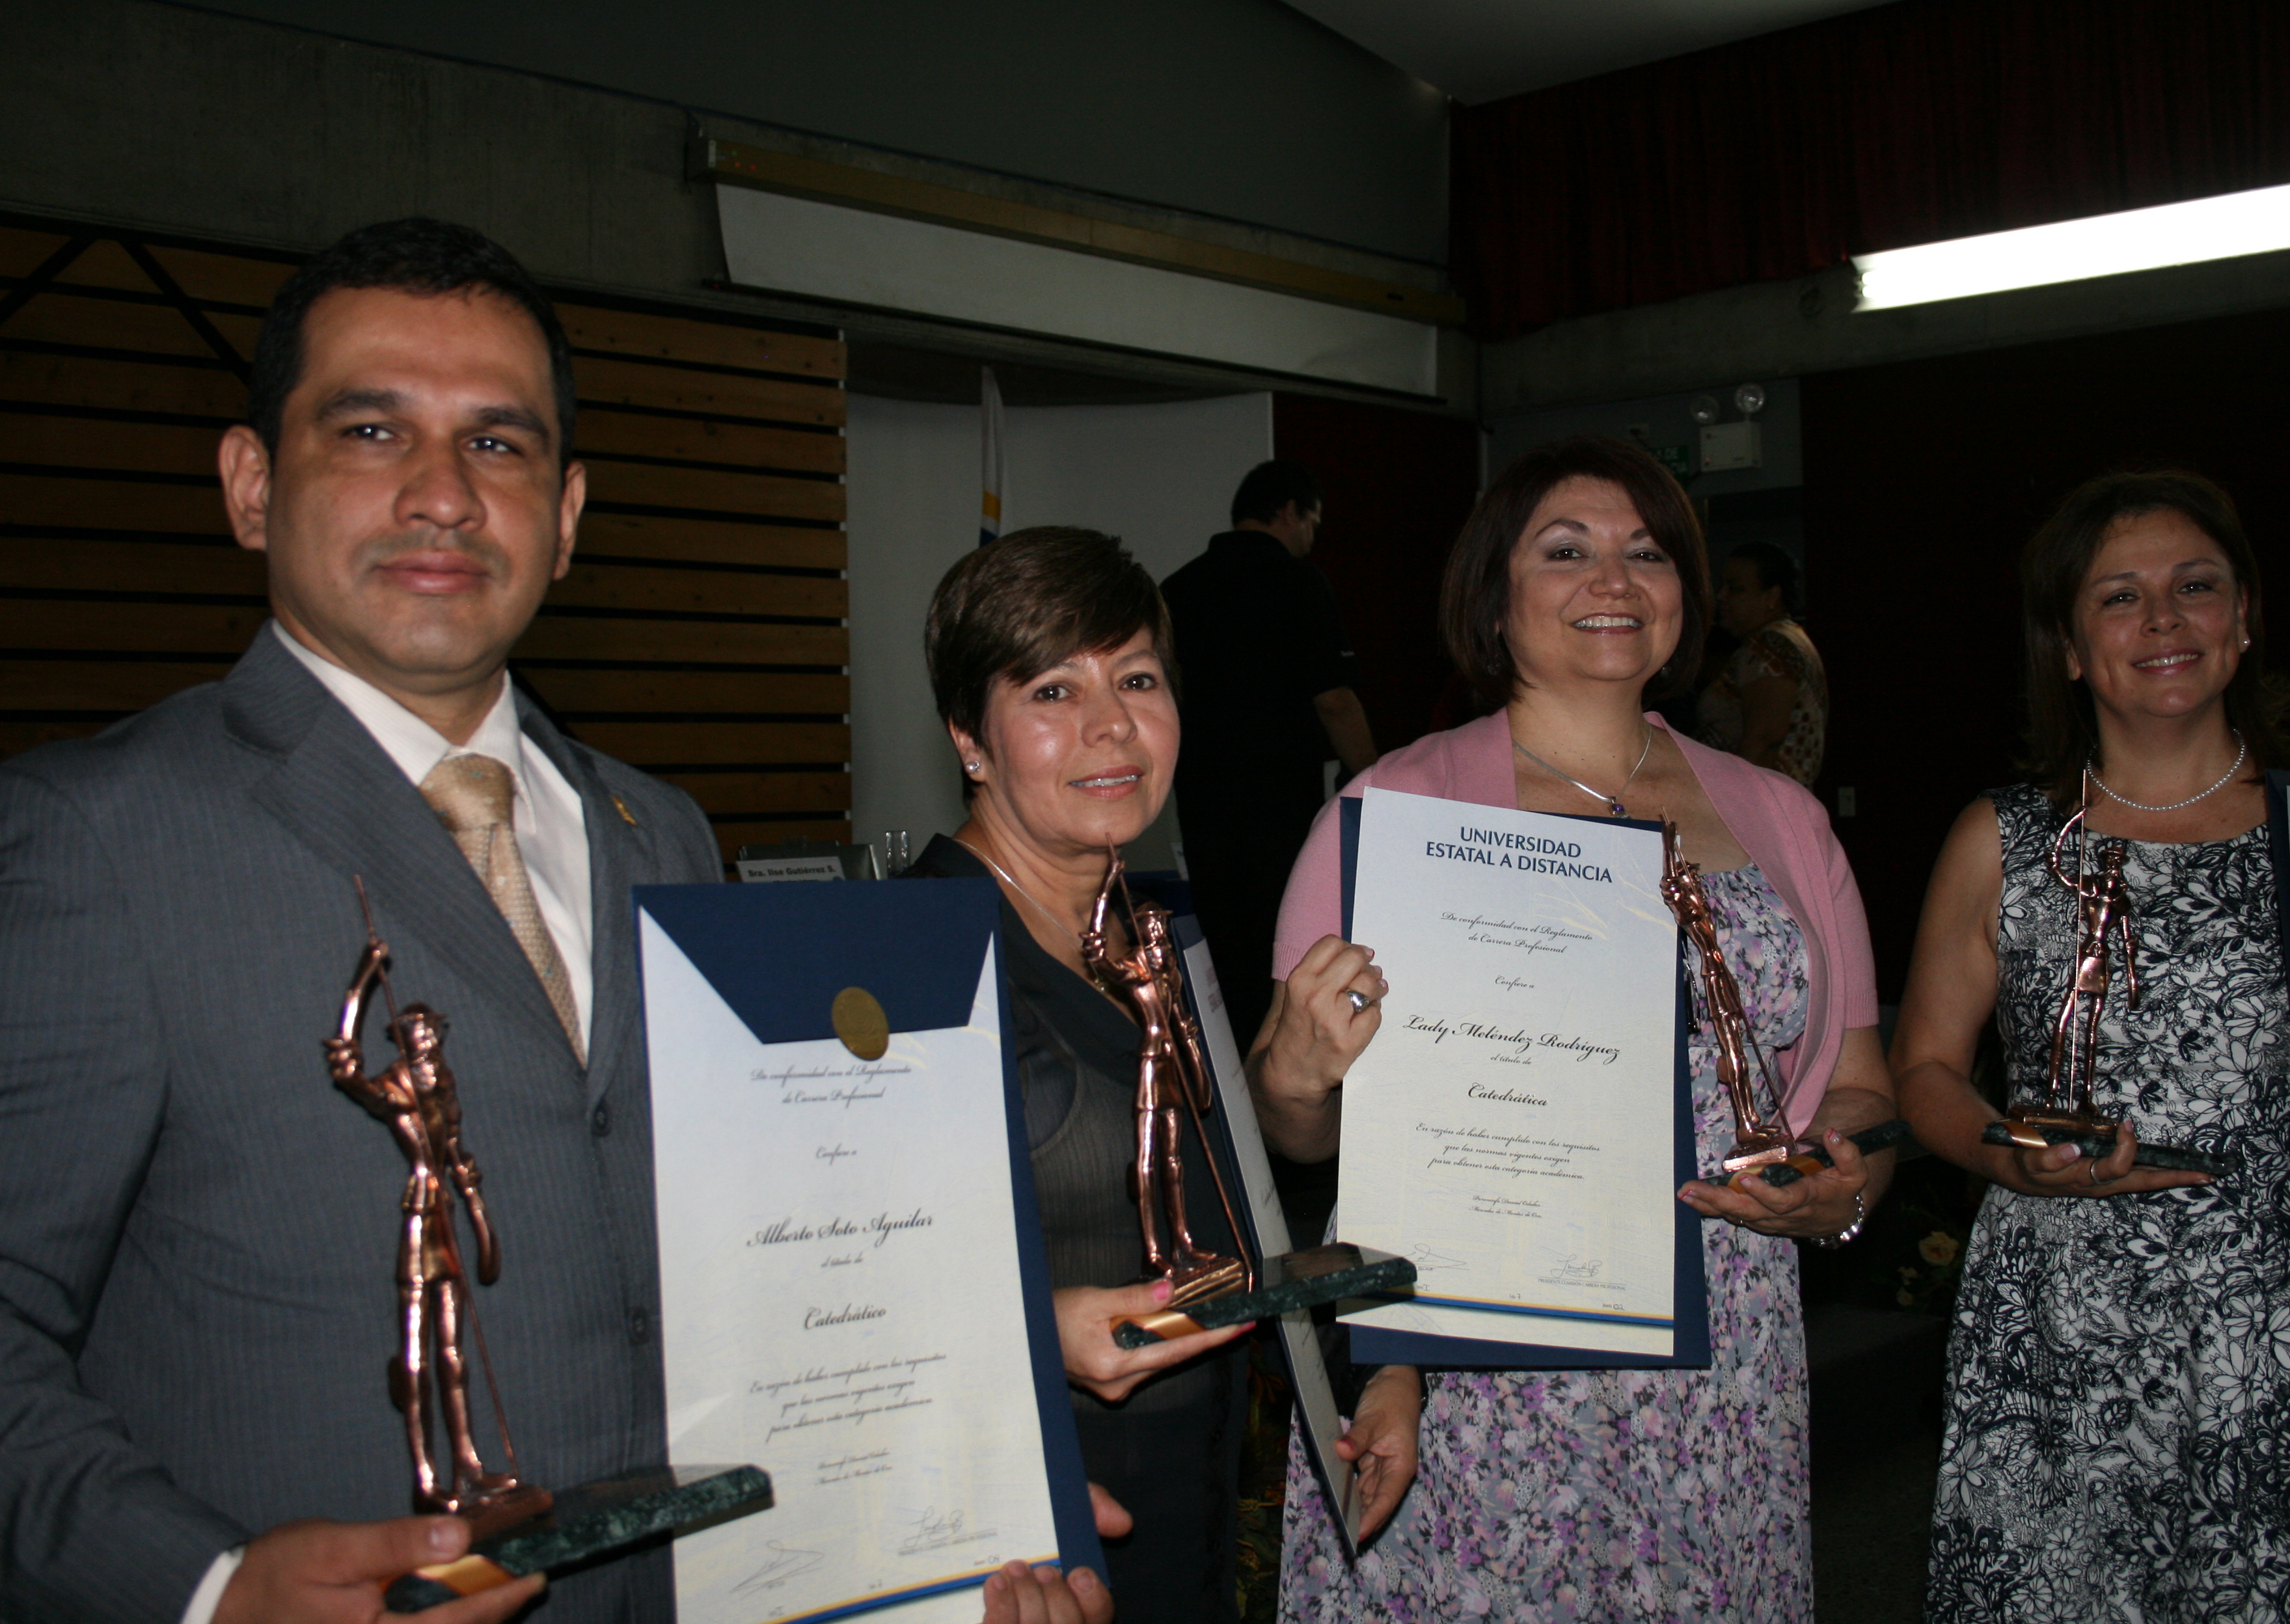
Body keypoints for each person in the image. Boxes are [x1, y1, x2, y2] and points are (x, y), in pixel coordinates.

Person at [0, 219, 1121, 1624]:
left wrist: (969, 1452)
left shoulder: (664, 834)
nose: (441, 497)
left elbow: (776, 1256)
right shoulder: (96, 839)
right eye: (366, 431)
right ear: (247, 484)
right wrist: (208, 1589)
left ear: (569, 512)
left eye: (496, 444)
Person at [1250, 434, 1896, 1621]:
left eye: (1645, 551)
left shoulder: (1782, 817)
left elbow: (1856, 1082)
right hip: (1465, 1360)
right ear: (1494, 595)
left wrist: (1841, 1184)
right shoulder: (1398, 806)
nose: (1612, 578)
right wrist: (1289, 1076)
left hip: (1722, 1354)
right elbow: (1299, 1130)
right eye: (1565, 551)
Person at [1890, 470, 2290, 1621]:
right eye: (2118, 597)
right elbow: (1924, 1065)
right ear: (2069, 648)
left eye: (2194, 586)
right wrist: (2000, 1150)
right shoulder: (2004, 840)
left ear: (2243, 617)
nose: (2162, 620)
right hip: (2064, 1330)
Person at [907, 526, 1277, 1621]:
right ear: (969, 738)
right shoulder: (909, 961)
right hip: (1031, 1544)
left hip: (1196, 1508)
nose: (1110, 723)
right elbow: (834, 1298)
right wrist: (1030, 1327)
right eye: (1053, 688)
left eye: (1136, 678)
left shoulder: (1161, 936)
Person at [1163, 459, 1378, 1047]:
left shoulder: (1177, 589)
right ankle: (1282, 1095)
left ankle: (1229, 1091)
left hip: (1202, 803)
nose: (1312, 536)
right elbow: (1334, 699)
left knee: (1222, 957)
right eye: (1313, 521)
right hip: (1279, 806)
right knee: (1285, 952)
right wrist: (1373, 781)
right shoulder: (1298, 583)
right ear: (1289, 512)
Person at [1697, 540, 1829, 785]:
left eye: (1736, 589)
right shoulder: (1788, 639)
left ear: (1772, 596)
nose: (1722, 596)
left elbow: (1765, 739)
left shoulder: (1771, 646)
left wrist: (1739, 802)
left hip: (1759, 804)